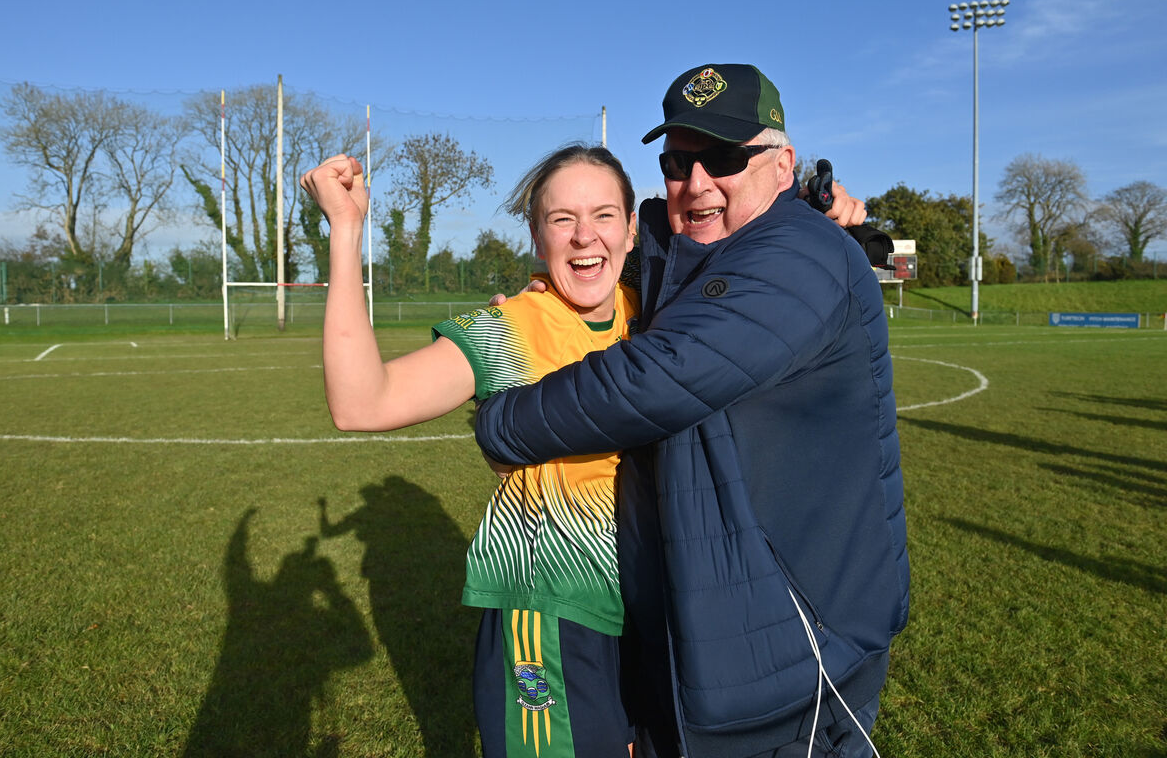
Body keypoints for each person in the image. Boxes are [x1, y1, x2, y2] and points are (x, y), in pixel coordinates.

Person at [474, 63, 909, 758]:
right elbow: (624, 235)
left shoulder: (799, 255)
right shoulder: (697, 246)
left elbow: (657, 377)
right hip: (712, 637)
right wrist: (563, 280)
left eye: (727, 157)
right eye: (679, 161)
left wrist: (502, 419)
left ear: (783, 165)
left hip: (798, 655)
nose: (698, 182)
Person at [302, 145, 642, 757]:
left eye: (604, 215)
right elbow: (362, 403)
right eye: (562, 219)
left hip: (647, 603)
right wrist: (346, 230)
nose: (584, 235)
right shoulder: (508, 326)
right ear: (538, 236)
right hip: (551, 608)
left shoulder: (655, 315)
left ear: (633, 227)